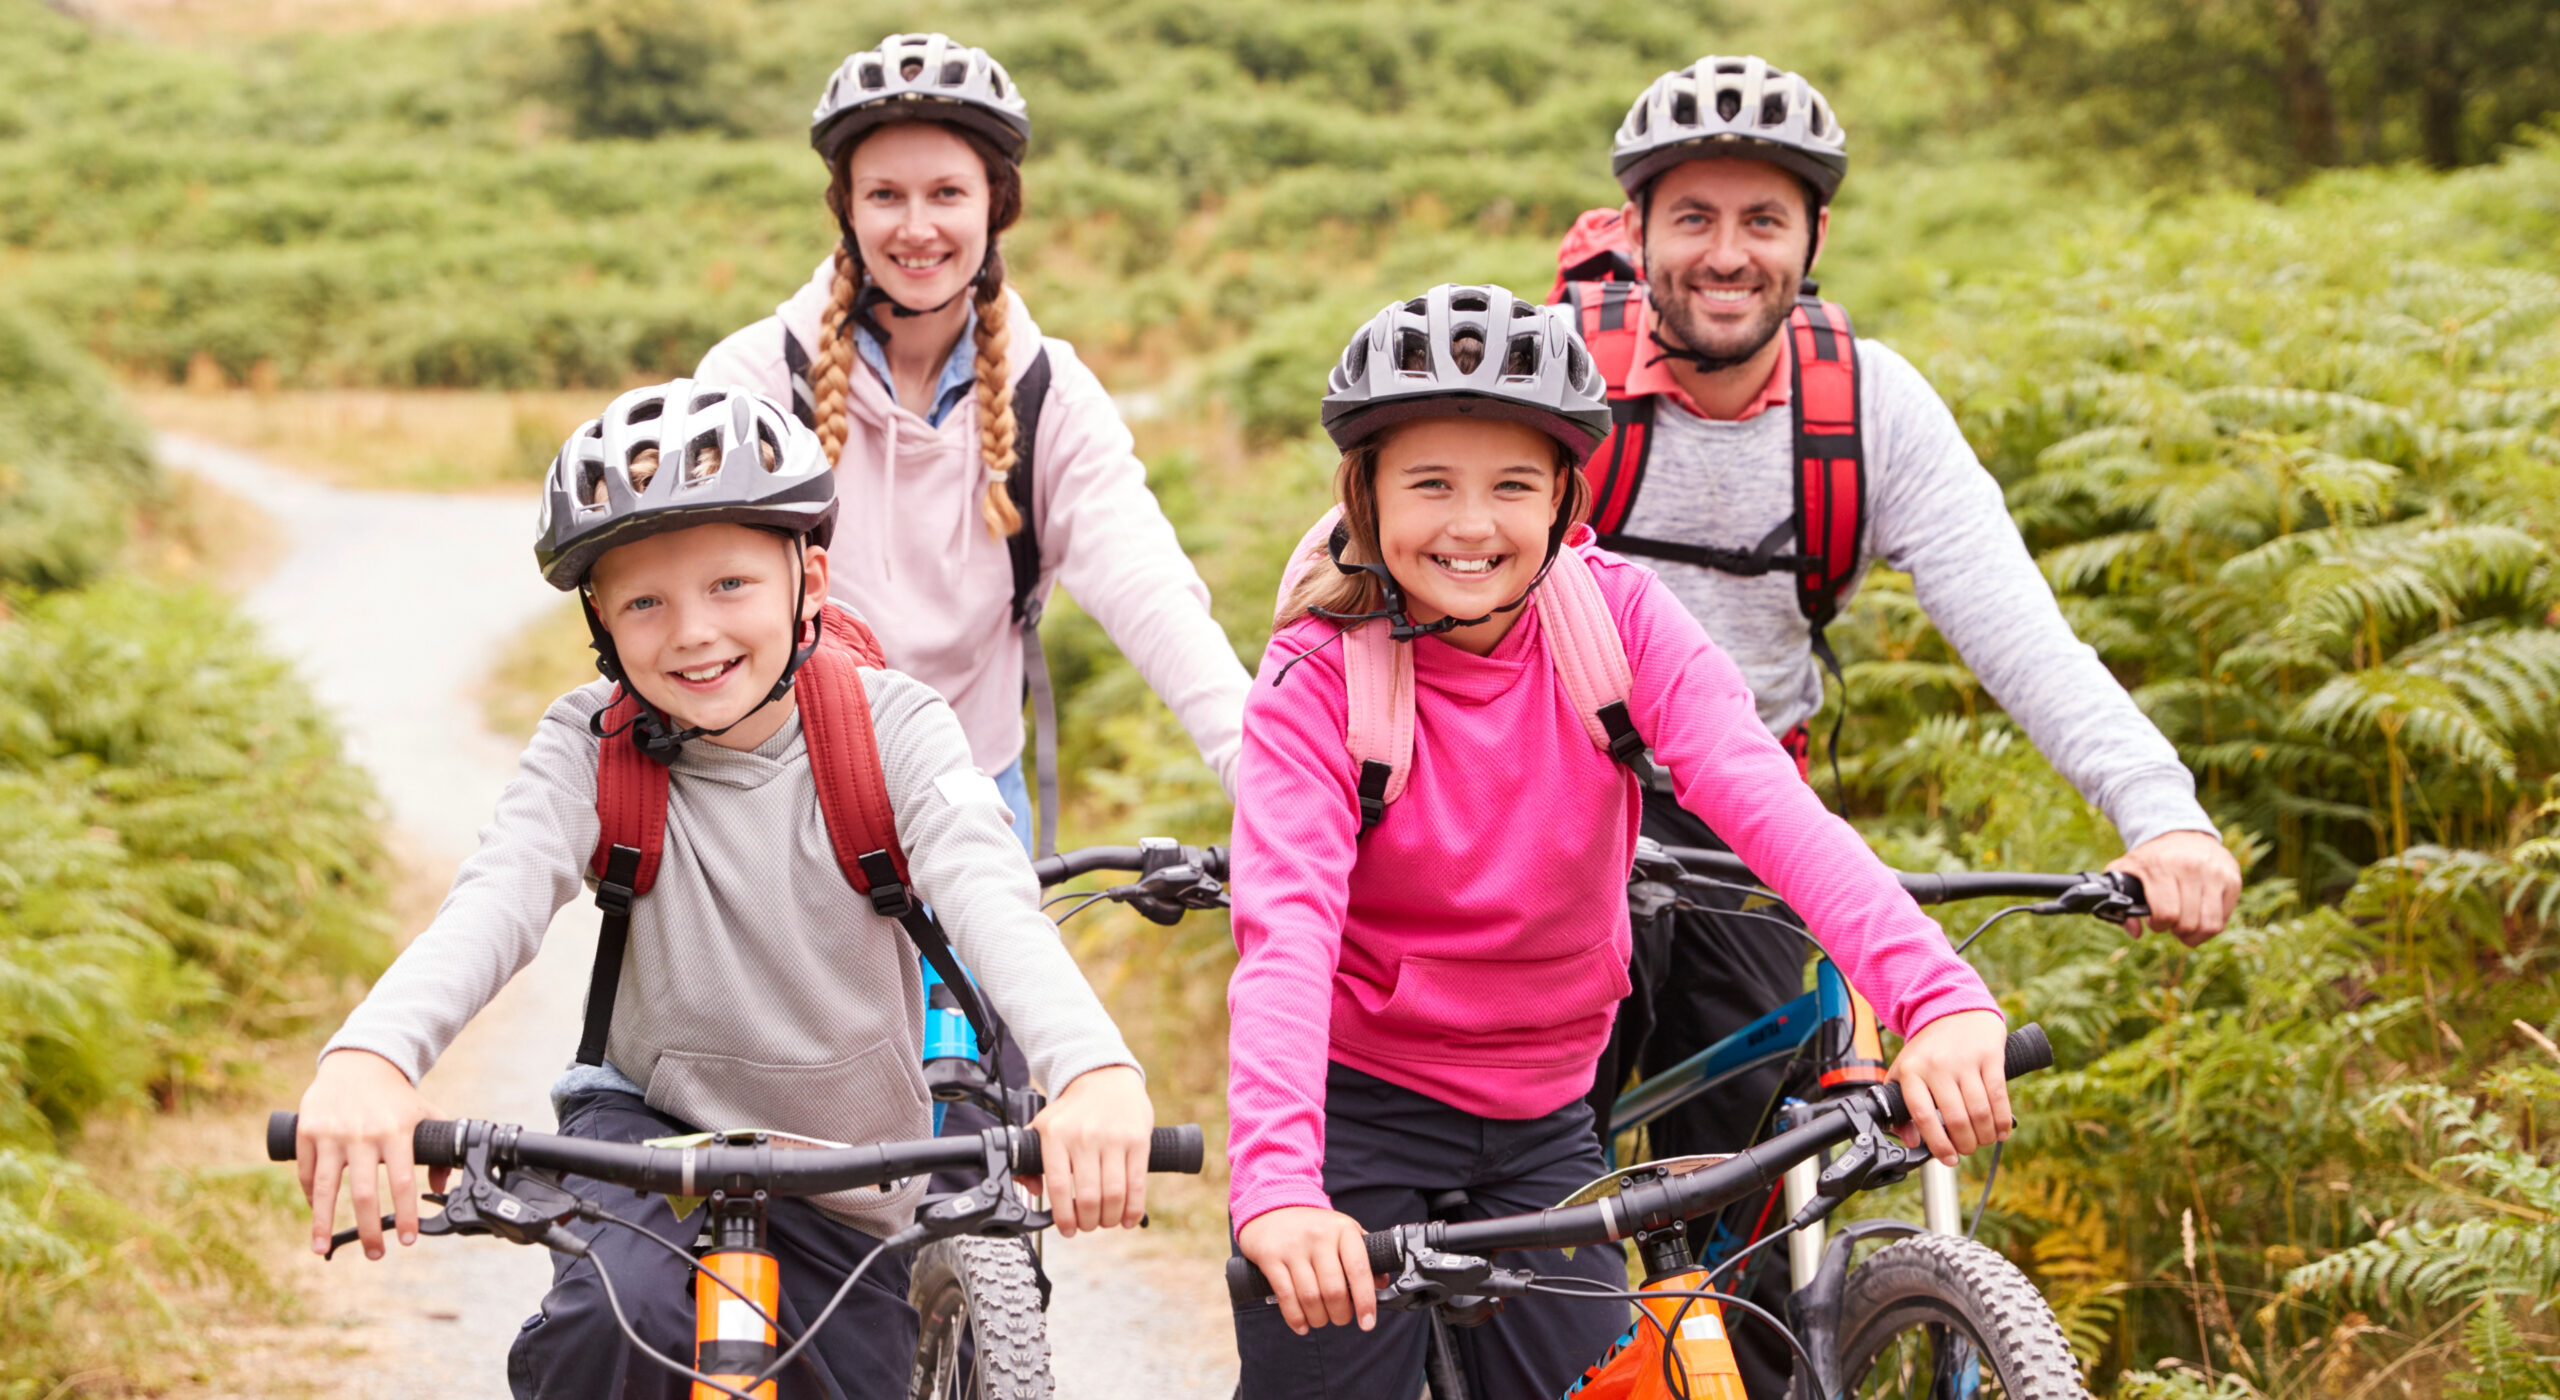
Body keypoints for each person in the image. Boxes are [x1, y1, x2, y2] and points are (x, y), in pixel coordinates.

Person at [1563, 55, 2246, 1394]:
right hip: (1541, 805)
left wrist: (2158, 810)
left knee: (1753, 1232)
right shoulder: (1564, 390)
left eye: (1763, 220)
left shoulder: (1865, 409)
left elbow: (2023, 633)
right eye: (1691, 217)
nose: (1725, 253)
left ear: (1812, 238)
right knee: (1527, 1211)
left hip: (1746, 815)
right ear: (1636, 231)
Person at [288, 382, 1158, 1399]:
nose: (693, 631)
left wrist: (1092, 1069)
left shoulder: (895, 730)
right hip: (649, 1143)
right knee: (610, 1327)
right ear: (600, 620)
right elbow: (493, 900)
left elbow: (988, 893)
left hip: (852, 1174)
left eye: (731, 584)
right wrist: (372, 1054)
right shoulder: (590, 746)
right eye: (645, 600)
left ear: (810, 578)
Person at [1224, 284, 2015, 1399]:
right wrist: (1279, 1185)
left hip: (1546, 1116)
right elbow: (1287, 937)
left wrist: (1937, 997)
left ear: (1561, 494)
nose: (1469, 523)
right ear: (1366, 493)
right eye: (1429, 483)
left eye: (1510, 484)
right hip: (1359, 1114)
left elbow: (1774, 815)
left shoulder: (1620, 622)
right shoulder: (1319, 676)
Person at [693, 32, 1249, 857]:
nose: (917, 228)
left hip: (972, 798)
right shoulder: (755, 379)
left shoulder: (1047, 393)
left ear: (998, 205)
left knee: (997, 991)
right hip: (784, 800)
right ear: (847, 207)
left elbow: (1149, 587)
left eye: (947, 193)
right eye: (885, 195)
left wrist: (1260, 767)